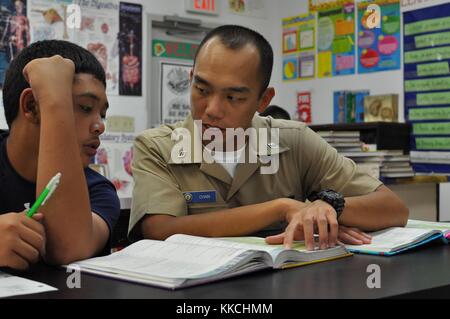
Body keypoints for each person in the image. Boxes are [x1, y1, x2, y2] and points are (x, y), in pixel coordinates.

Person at [129, 25, 408, 251]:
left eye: (233, 97)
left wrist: (326, 208)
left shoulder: (293, 140)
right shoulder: (157, 146)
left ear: (264, 99)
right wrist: (282, 208)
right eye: (201, 90)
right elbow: (160, 229)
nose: (212, 110)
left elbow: (393, 209)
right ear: (190, 79)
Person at [0, 40, 120, 270]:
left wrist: (54, 102)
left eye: (102, 115)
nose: (99, 126)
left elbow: (67, 248)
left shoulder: (99, 192)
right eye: (85, 108)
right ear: (32, 106)